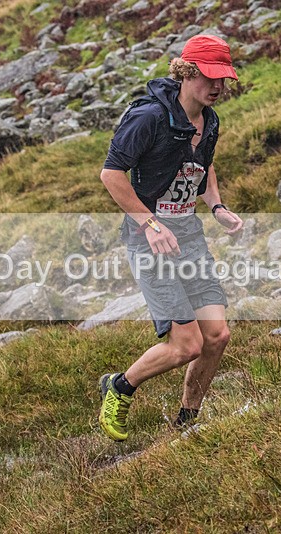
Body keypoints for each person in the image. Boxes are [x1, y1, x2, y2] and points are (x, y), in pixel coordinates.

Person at [97, 34, 244, 441]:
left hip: (190, 237)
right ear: (187, 72)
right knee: (186, 345)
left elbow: (205, 167)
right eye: (210, 78)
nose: (218, 87)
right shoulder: (149, 117)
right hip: (151, 240)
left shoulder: (209, 120)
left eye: (224, 79)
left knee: (217, 336)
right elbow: (111, 174)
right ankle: (120, 386)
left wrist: (216, 207)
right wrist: (149, 223)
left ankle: (187, 421)